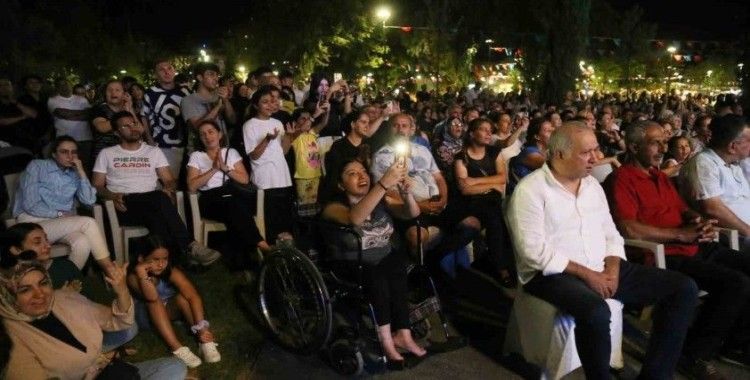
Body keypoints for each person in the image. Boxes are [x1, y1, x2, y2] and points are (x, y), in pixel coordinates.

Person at [508, 122, 698, 380]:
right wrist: (589, 275)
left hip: (601, 266)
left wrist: (612, 266)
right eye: (587, 152)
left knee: (683, 288)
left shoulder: (591, 187)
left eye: (597, 150)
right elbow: (533, 251)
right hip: (551, 274)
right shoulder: (530, 190)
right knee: (597, 311)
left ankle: (656, 375)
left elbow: (611, 234)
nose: (596, 159)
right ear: (560, 154)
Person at [606, 120, 750, 377]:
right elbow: (629, 229)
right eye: (655, 143)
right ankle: (693, 354)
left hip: (693, 245)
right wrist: (680, 235)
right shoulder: (622, 179)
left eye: (664, 141)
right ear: (634, 146)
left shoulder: (658, 175)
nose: (663, 148)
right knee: (735, 283)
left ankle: (733, 343)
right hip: (664, 254)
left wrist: (696, 220)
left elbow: (681, 208)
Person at [0, 258, 187, 379]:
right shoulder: (9, 335)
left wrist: (121, 289)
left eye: (43, 283)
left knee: (175, 367)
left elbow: (118, 321)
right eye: (25, 289)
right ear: (8, 295)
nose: (39, 294)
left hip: (107, 370)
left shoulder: (64, 298)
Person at [322, 157, 427, 369]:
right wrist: (383, 184)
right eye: (352, 173)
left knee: (396, 264)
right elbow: (354, 218)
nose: (361, 176)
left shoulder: (382, 200)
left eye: (363, 171)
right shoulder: (332, 207)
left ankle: (403, 335)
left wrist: (406, 194)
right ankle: (386, 340)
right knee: (377, 274)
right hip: (352, 265)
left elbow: (412, 213)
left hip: (384, 260)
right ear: (341, 184)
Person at [92, 111, 220, 266]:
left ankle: (173, 262)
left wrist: (168, 187)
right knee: (159, 200)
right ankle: (189, 246)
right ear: (116, 132)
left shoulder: (153, 151)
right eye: (125, 126)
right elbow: (97, 185)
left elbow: (169, 180)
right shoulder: (107, 153)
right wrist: (112, 196)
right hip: (124, 205)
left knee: (158, 215)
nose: (132, 128)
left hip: (152, 203)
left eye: (133, 123)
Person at [13, 136, 115, 274]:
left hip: (61, 223)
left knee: (82, 242)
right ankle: (110, 270)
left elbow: (90, 201)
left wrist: (81, 172)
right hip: (32, 222)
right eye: (64, 152)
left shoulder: (74, 173)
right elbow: (31, 204)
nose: (70, 156)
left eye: (74, 152)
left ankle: (66, 282)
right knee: (88, 222)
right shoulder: (37, 166)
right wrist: (59, 214)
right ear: (54, 154)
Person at [127, 235, 220, 368]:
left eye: (165, 259)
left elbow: (193, 295)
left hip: (167, 310)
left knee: (183, 298)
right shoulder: (134, 277)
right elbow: (152, 298)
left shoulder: (169, 270)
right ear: (142, 259)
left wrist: (202, 327)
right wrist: (142, 273)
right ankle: (177, 348)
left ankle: (204, 340)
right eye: (156, 259)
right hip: (146, 316)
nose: (161, 264)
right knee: (155, 301)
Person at [186, 120, 270, 267]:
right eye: (203, 134)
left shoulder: (231, 152)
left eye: (211, 131)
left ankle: (241, 261)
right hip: (210, 199)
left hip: (233, 195)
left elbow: (244, 179)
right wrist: (213, 169)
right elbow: (192, 186)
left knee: (234, 207)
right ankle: (262, 246)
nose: (207, 136)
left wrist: (226, 169)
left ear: (219, 134)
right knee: (235, 206)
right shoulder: (197, 156)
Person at [454, 117, 514, 286]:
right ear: (472, 133)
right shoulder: (461, 157)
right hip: (472, 202)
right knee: (494, 218)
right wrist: (490, 185)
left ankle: (504, 260)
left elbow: (502, 178)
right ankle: (501, 268)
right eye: (484, 129)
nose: (489, 133)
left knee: (503, 214)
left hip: (493, 198)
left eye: (490, 130)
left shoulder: (494, 152)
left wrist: (474, 180)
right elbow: (464, 189)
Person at [680, 114, 750, 253]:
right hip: (732, 237)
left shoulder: (734, 164)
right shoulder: (703, 164)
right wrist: (748, 231)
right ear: (732, 146)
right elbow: (713, 210)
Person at [242, 85, 296, 242]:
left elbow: (284, 151)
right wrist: (267, 139)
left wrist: (290, 136)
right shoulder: (249, 125)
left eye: (271, 101)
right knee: (269, 222)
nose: (269, 105)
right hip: (264, 179)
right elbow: (254, 156)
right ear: (255, 105)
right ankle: (270, 251)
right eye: (264, 102)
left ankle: (286, 252)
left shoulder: (278, 123)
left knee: (284, 219)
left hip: (282, 177)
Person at [143, 59, 192, 182]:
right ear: (156, 74)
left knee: (186, 181)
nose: (166, 72)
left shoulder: (185, 92)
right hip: (163, 144)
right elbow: (144, 116)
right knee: (169, 182)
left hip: (186, 142)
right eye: (162, 69)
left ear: (174, 71)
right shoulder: (150, 93)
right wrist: (149, 138)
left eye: (169, 68)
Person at [2, 223, 82, 290]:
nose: (48, 245)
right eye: (37, 242)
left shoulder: (66, 266)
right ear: (16, 249)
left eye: (46, 239)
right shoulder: (10, 281)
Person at [47, 78, 92, 171]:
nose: (65, 86)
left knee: (85, 166)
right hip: (64, 140)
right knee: (66, 167)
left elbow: (89, 115)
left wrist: (70, 114)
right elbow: (62, 113)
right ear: (57, 87)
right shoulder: (52, 100)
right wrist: (80, 114)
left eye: (67, 84)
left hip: (85, 138)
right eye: (62, 84)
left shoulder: (82, 99)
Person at [507, 117, 554, 196]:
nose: (553, 132)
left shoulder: (549, 152)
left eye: (552, 129)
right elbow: (554, 168)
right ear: (537, 136)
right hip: (522, 199)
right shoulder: (529, 153)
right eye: (548, 130)